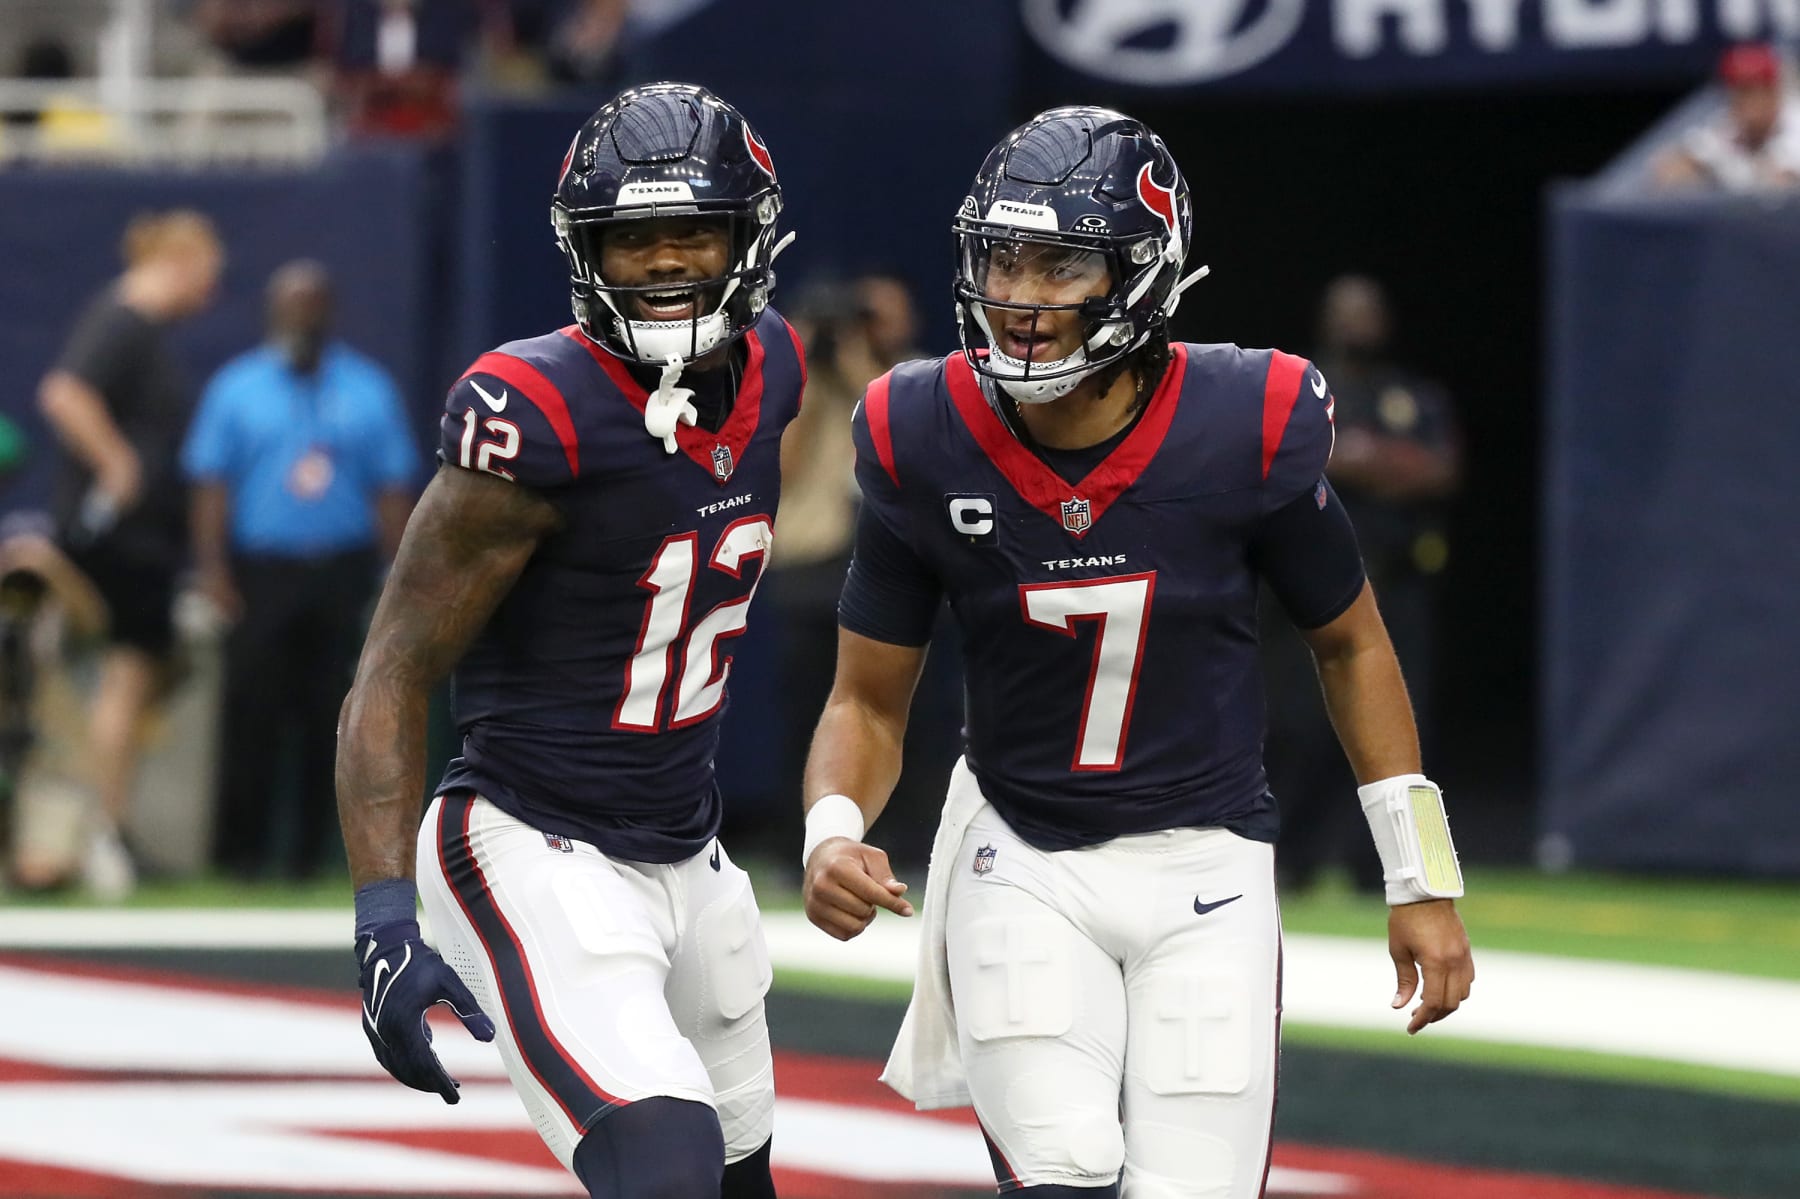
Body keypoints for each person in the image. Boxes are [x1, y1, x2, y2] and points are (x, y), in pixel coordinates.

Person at [800, 107, 1476, 1198]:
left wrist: (1421, 876)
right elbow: (868, 698)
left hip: (1208, 866)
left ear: (1143, 271)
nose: (1020, 295)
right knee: (1065, 1173)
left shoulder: (1245, 416)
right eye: (1003, 258)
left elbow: (1352, 643)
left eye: (1061, 263)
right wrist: (833, 826)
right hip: (1021, 854)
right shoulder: (921, 428)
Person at [336, 82, 801, 1199]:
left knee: (741, 1185)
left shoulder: (776, 367)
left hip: (688, 847)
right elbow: (393, 669)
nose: (664, 261)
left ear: (749, 236)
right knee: (666, 1166)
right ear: (585, 251)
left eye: (692, 231)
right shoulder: (535, 411)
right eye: (631, 238)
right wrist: (383, 919)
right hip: (533, 838)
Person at [182, 259, 418, 881]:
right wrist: (212, 571)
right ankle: (240, 855)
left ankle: (310, 858)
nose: (302, 319)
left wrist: (395, 576)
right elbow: (211, 485)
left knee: (330, 717)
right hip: (261, 572)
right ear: (273, 313)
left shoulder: (366, 388)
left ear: (328, 313)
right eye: (292, 307)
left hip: (339, 571)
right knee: (251, 711)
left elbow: (391, 488)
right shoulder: (237, 388)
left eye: (312, 307)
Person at [36, 209, 223, 899]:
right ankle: (97, 831)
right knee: (125, 674)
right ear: (178, 260)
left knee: (139, 676)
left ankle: (98, 825)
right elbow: (63, 393)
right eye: (207, 273)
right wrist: (117, 464)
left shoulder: (141, 332)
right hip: (120, 539)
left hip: (142, 540)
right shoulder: (120, 321)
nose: (211, 290)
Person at [1265, 274, 1462, 894]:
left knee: (1403, 724)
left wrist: (1361, 458)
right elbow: (1287, 460)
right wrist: (1371, 460)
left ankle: (1387, 867)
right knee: (1302, 725)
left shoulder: (1411, 395)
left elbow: (1439, 469)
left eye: (1370, 312)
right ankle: (1288, 860)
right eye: (1348, 312)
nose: (1360, 324)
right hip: (1314, 590)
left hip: (1398, 583)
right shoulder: (1298, 386)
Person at [1654, 42, 1800, 192]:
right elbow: (1674, 166)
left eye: (1749, 90)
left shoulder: (1795, 124)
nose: (1742, 101)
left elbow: (1784, 182)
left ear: (1772, 92)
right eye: (1735, 90)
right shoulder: (1729, 129)